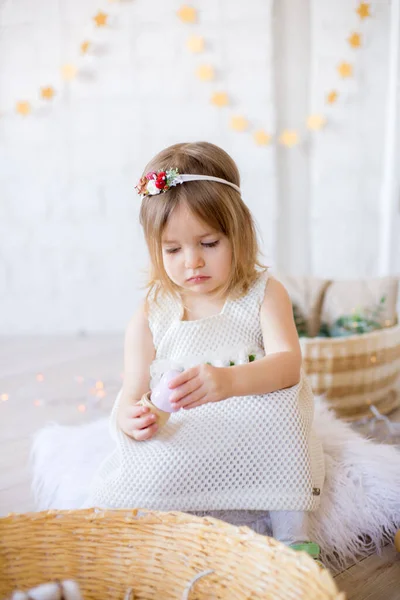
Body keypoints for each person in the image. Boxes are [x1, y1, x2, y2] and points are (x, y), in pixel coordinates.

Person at [88, 141, 325, 564]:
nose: (192, 262)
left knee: (284, 414)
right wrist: (131, 413)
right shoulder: (152, 314)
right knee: (147, 451)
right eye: (173, 250)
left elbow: (289, 365)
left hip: (250, 417)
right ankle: (164, 521)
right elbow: (133, 389)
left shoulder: (263, 294)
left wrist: (230, 381)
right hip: (186, 422)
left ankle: (293, 540)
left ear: (239, 234)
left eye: (209, 243)